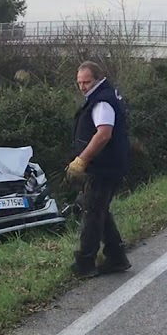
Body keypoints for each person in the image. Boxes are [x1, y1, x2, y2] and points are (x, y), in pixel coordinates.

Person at [66, 61, 132, 278]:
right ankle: (116, 257)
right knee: (97, 208)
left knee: (92, 212)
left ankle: (85, 263)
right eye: (79, 83)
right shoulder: (106, 95)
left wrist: (81, 161)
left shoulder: (102, 101)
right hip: (109, 164)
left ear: (97, 79)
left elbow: (103, 134)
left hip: (104, 167)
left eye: (87, 82)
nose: (83, 87)